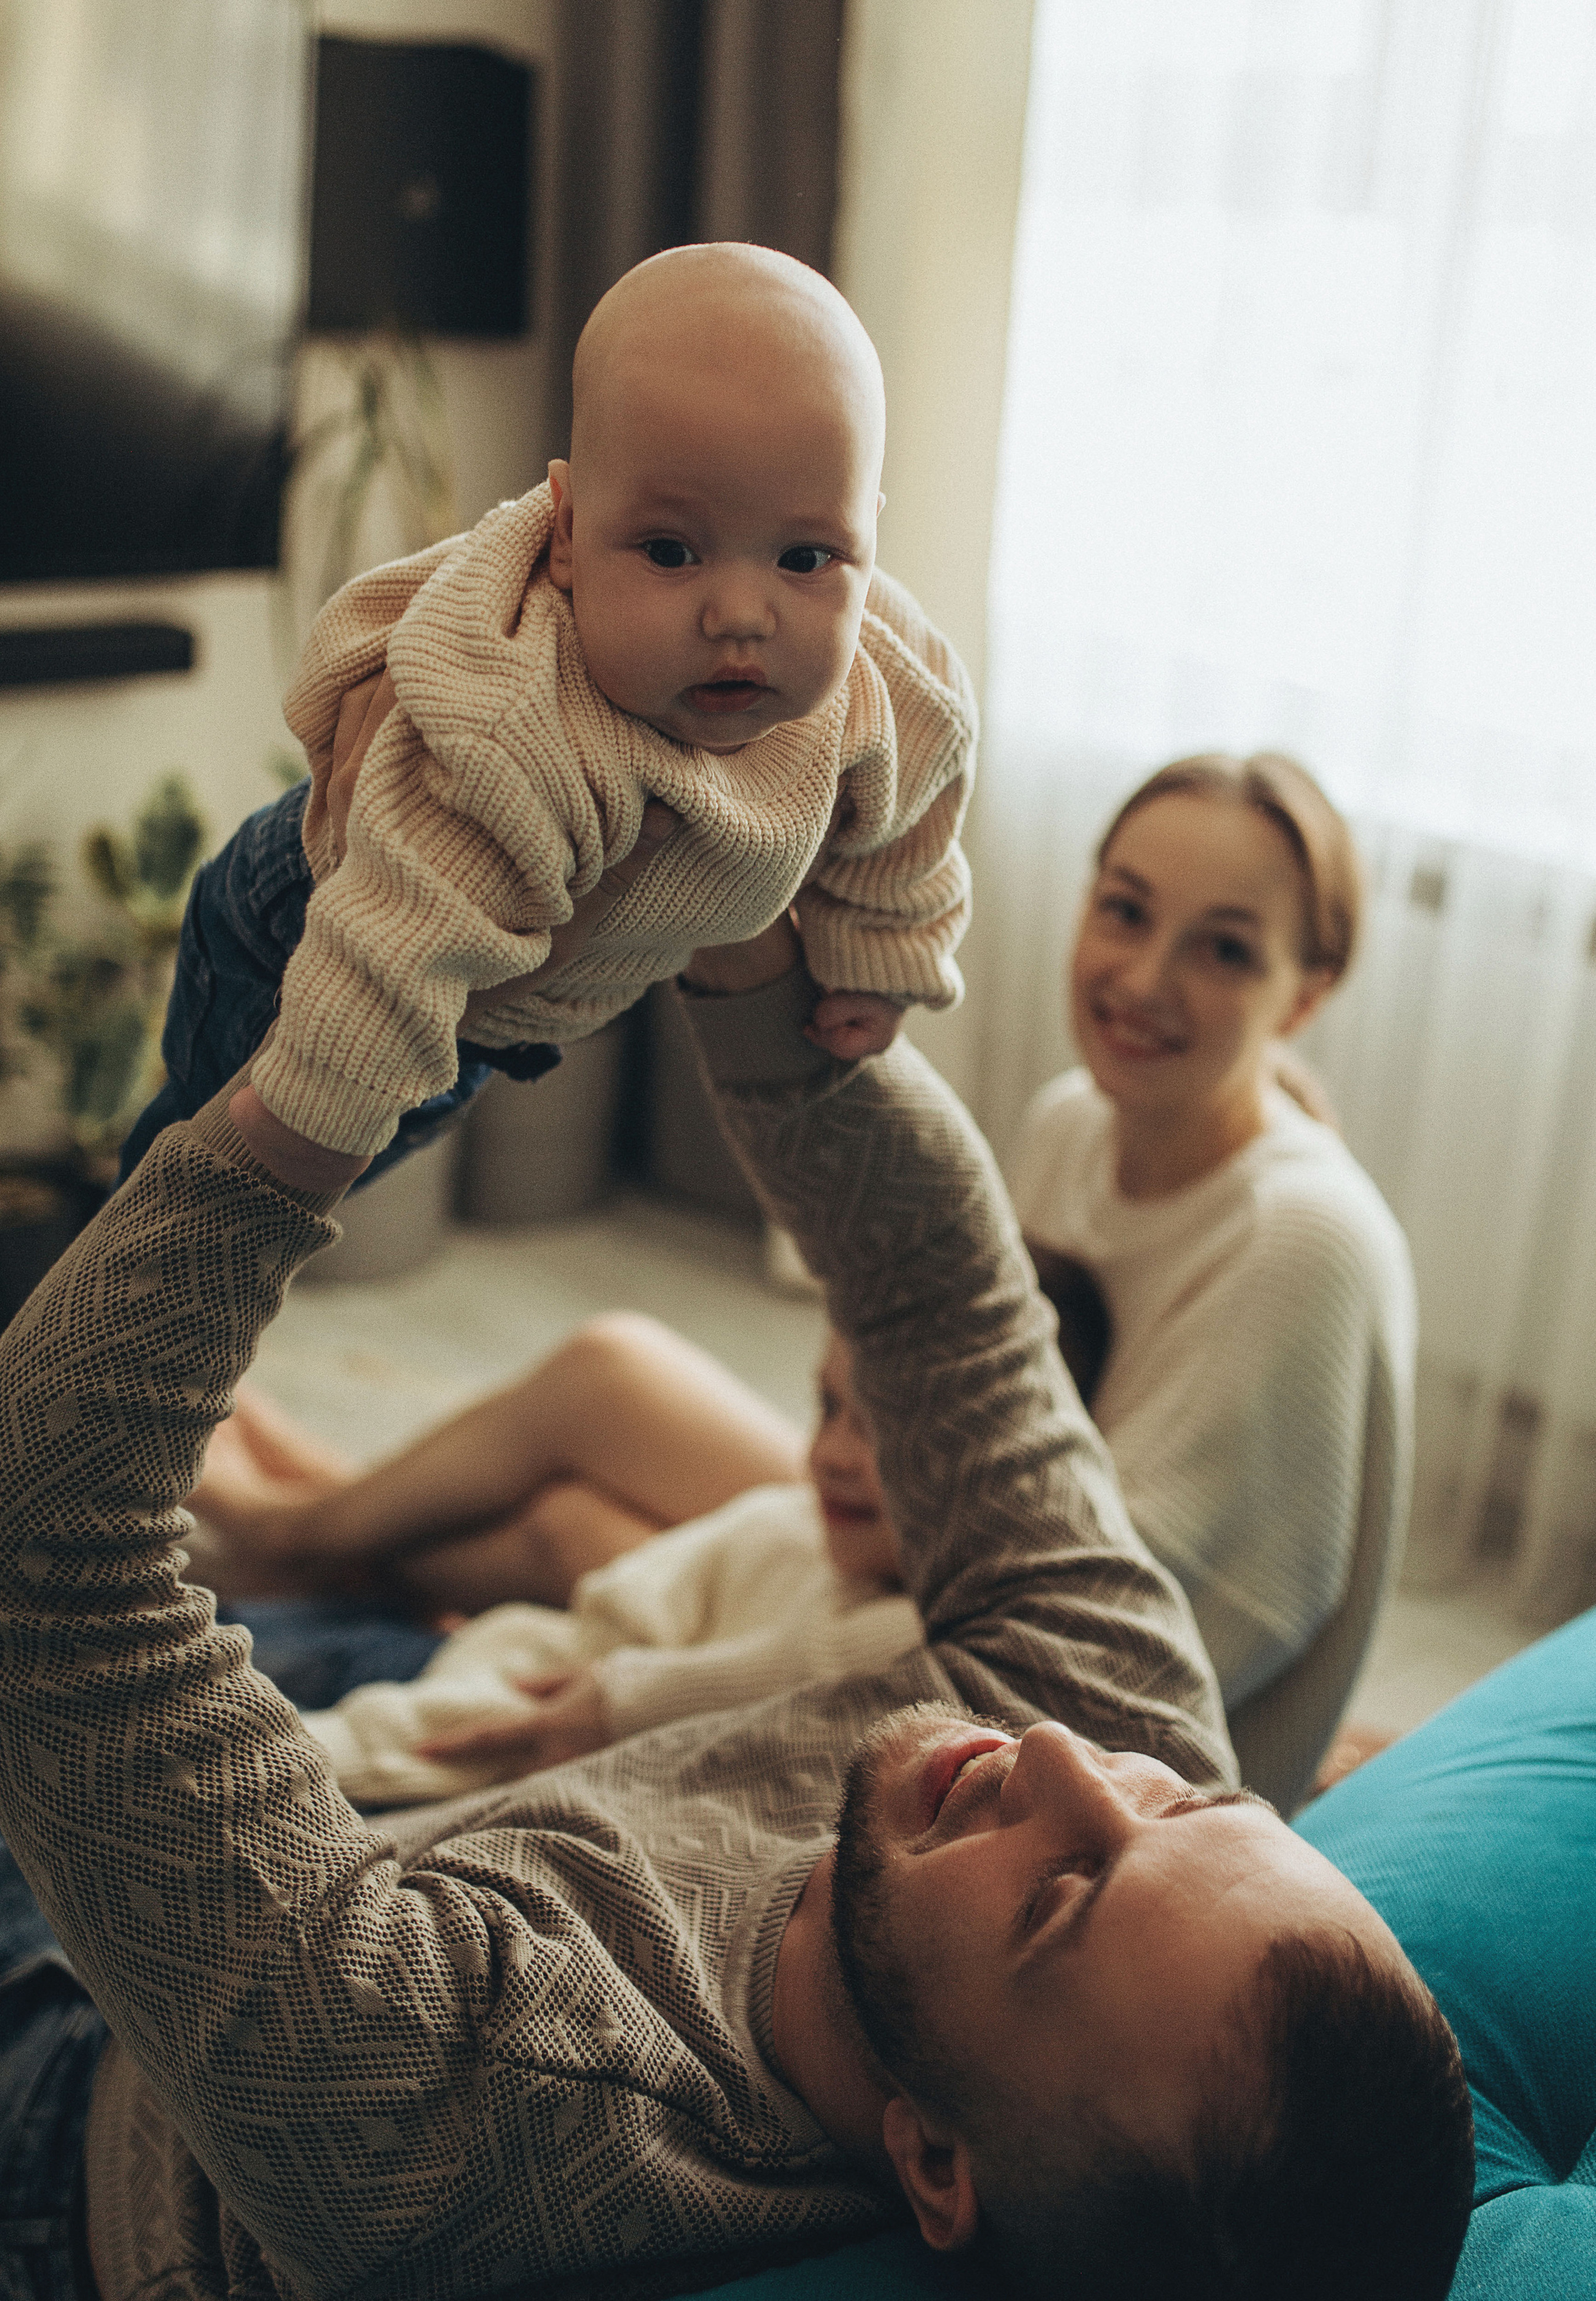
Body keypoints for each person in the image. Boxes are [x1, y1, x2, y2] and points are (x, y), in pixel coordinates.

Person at [0, 910, 1472, 2301]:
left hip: (71, 2123)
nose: (1050, 1757)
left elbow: (51, 1560)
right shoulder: (1121, 1733)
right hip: (388, 1847)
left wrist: (310, 1105)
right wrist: (752, 946)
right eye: (1187, 1803)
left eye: (1059, 1894)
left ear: (935, 2162)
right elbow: (945, 1311)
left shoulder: (495, 2109)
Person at [119, 240, 978, 1192]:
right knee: (200, 1163)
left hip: (499, 1017)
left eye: (808, 558)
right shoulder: (517, 720)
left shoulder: (891, 678)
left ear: (868, 535)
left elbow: (920, 803)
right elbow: (390, 948)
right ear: (565, 534)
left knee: (383, 1146)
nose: (741, 613)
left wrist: (880, 950)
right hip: (310, 938)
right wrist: (305, 1136)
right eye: (669, 550)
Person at [1010, 754, 1415, 1810]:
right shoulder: (1069, 1123)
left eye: (1225, 951)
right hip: (976, 1576)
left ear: (1304, 997)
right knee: (607, 1399)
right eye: (1126, 912)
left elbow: (1106, 1657)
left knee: (592, 1475)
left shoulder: (1301, 1241)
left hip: (1105, 1782)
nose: (1143, 981)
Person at [234, 1332, 925, 1808]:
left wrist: (266, 1766)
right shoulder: (784, 1525)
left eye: (880, 1427)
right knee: (570, 1521)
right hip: (491, 1669)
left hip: (447, 1727)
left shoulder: (896, 1644)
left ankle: (292, 1529)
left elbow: (543, 1719)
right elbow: (592, 1641)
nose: (829, 1454)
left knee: (583, 1471)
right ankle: (308, 1522)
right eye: (827, 1408)